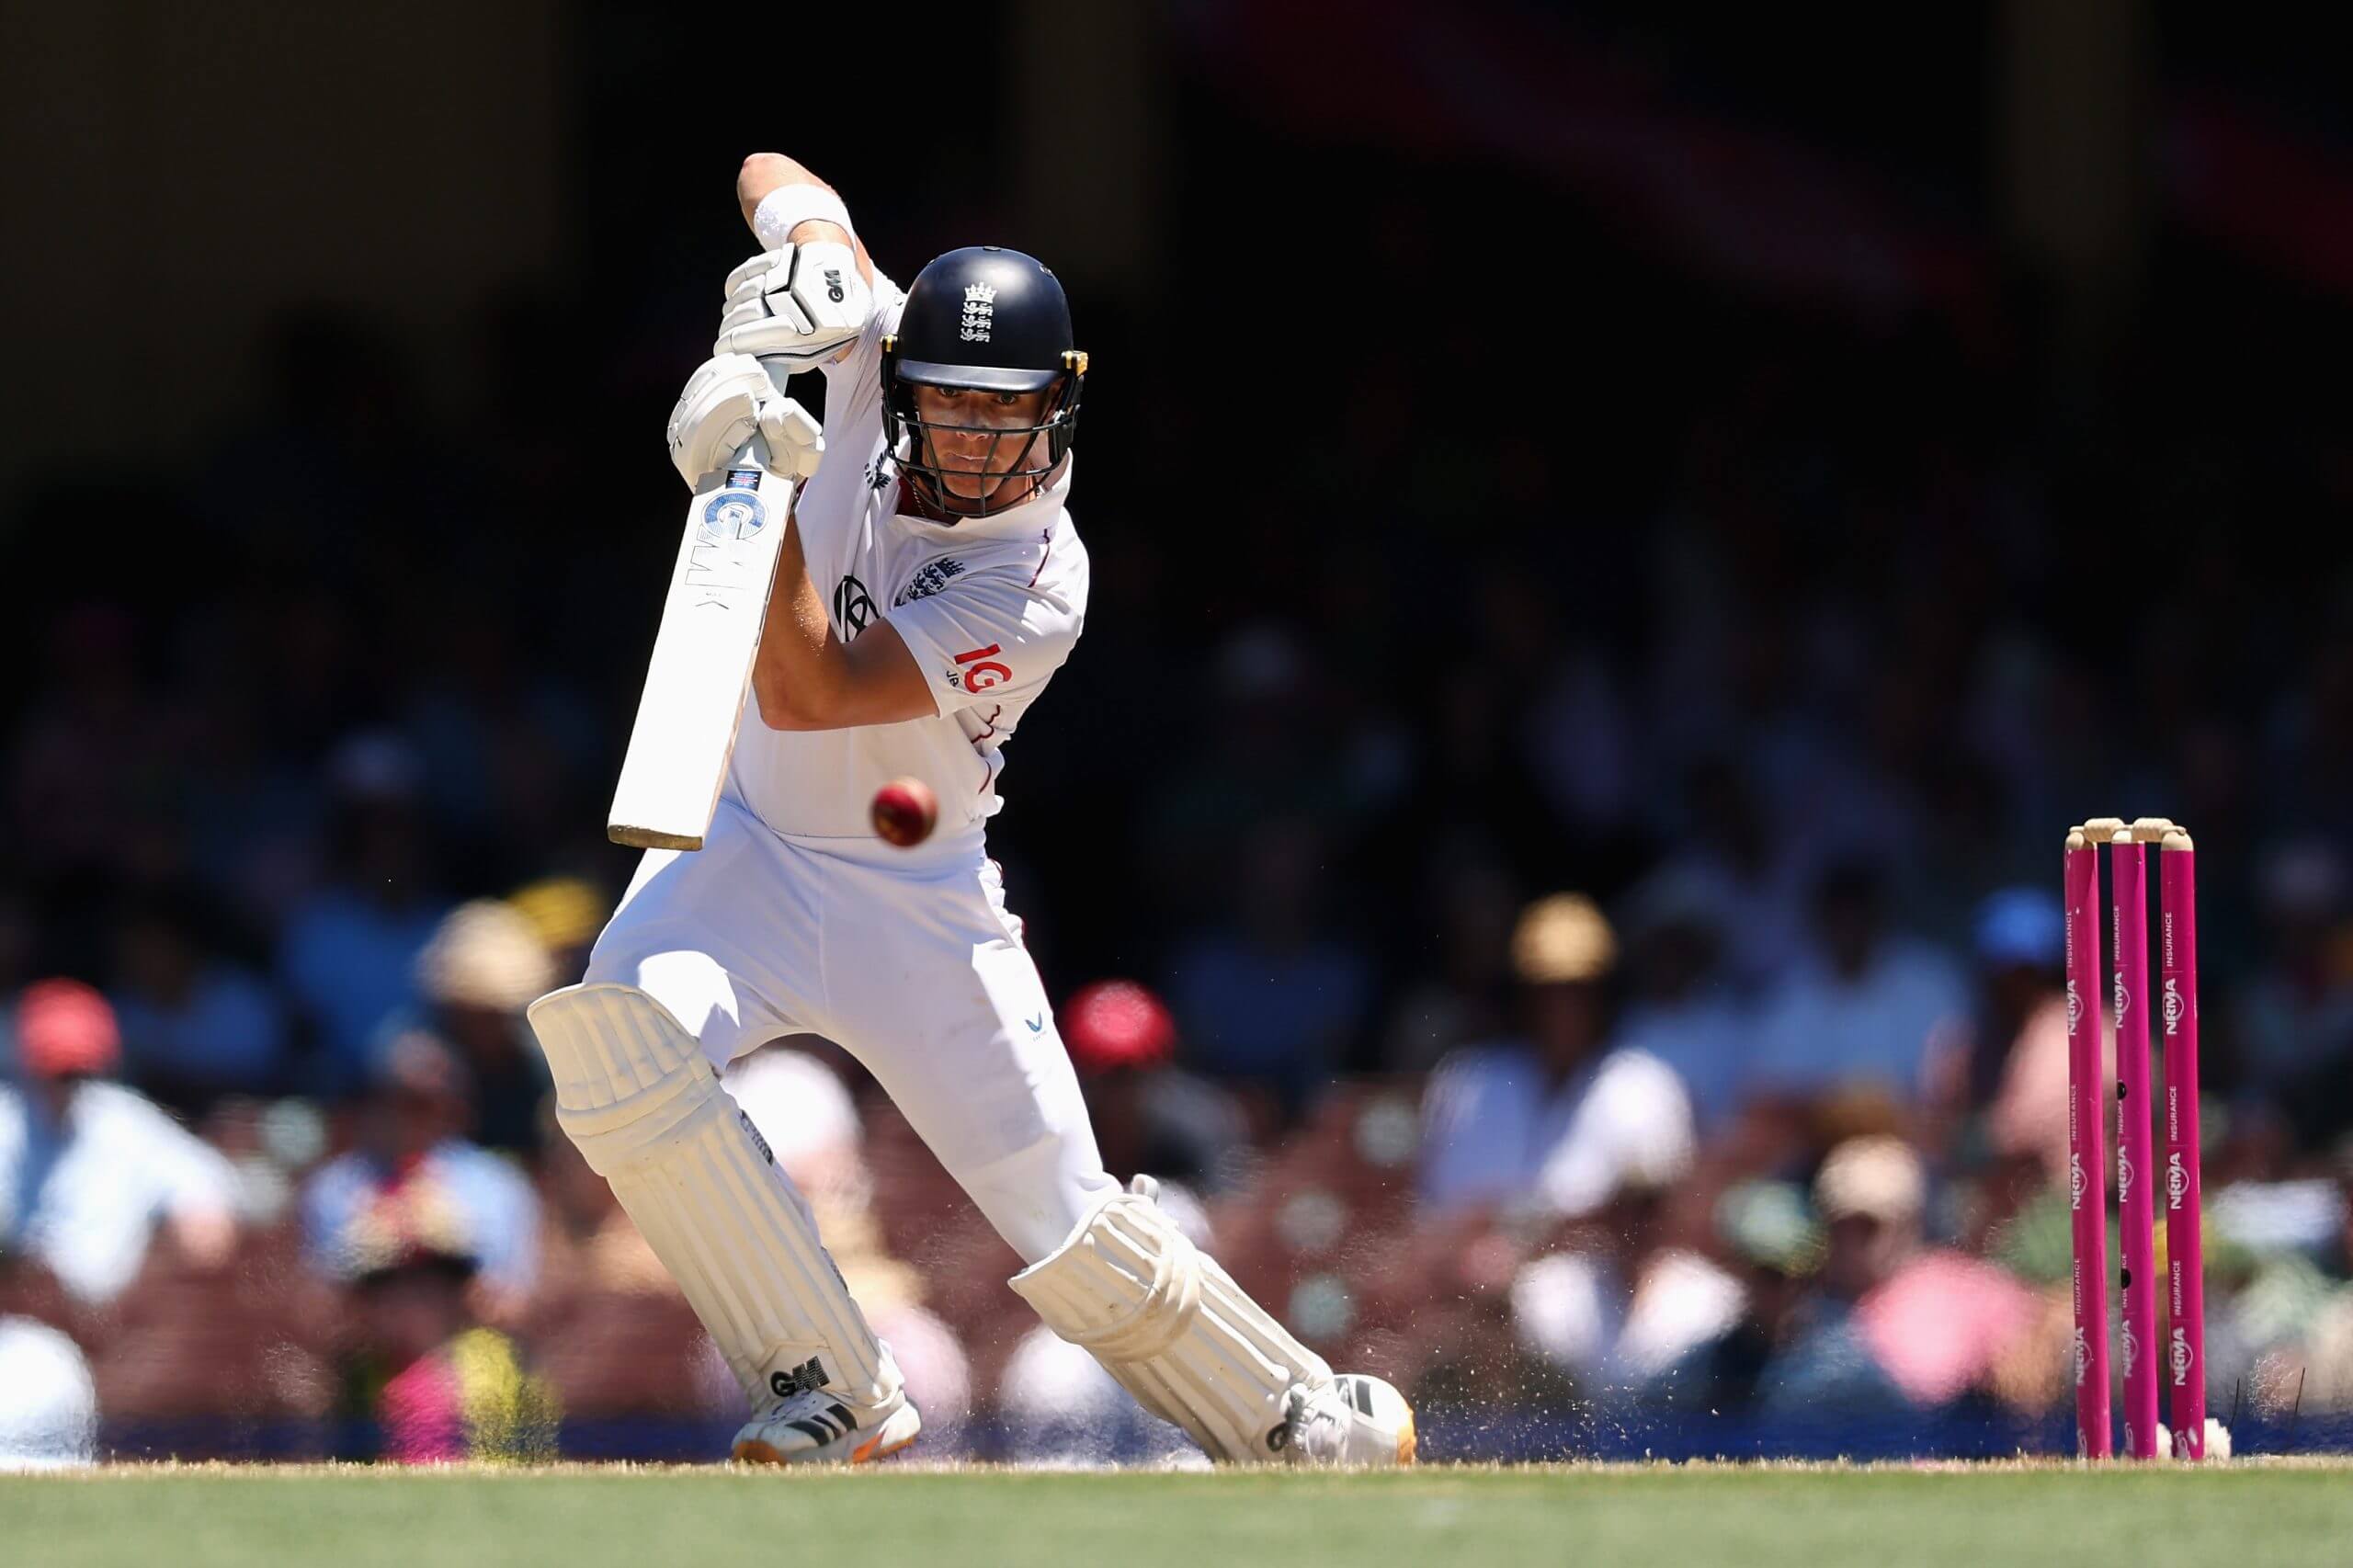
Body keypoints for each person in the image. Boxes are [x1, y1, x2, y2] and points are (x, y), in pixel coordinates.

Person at [524, 153, 1412, 1468]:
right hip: (746, 843)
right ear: (907, 386)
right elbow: (766, 167)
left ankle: (1291, 1416)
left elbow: (812, 685)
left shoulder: (1041, 579)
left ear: (1060, 408)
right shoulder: (880, 346)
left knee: (1064, 1218)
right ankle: (831, 1381)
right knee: (611, 1050)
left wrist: (741, 477)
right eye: (949, 410)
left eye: (1008, 417)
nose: (978, 444)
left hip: (914, 899)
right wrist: (814, 242)